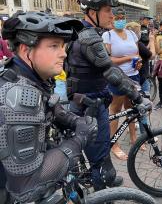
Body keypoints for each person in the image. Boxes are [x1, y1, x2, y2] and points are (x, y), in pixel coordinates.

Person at [0, 11, 98, 203]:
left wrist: (74, 120)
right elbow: (27, 185)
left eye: (63, 46)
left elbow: (47, 102)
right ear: (25, 50)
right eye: (54, 46)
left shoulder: (24, 74)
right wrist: (78, 140)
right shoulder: (18, 95)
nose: (63, 53)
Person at [65, 0, 145, 191]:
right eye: (108, 11)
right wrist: (136, 96)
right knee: (98, 154)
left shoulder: (81, 31)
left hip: (87, 100)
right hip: (90, 103)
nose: (113, 15)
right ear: (93, 13)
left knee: (100, 149)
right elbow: (110, 71)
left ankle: (106, 177)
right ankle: (102, 193)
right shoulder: (89, 37)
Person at [102, 8, 142, 160]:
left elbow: (137, 54)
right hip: (117, 78)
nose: (120, 20)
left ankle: (133, 139)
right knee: (116, 110)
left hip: (134, 75)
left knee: (131, 108)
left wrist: (138, 62)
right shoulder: (108, 35)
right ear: (112, 20)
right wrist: (128, 58)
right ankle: (114, 144)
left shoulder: (131, 33)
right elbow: (109, 59)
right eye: (116, 18)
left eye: (122, 17)